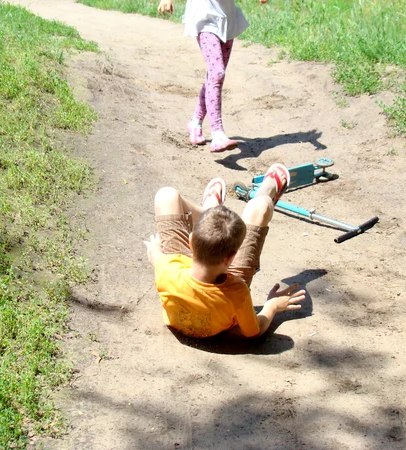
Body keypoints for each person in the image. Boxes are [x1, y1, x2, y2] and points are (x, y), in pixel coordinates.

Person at [144, 163, 306, 338]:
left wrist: (154, 247)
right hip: (224, 289)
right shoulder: (237, 292)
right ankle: (266, 192)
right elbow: (254, 331)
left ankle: (208, 213)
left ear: (191, 242)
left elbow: (155, 255)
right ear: (231, 259)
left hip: (181, 275)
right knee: (261, 207)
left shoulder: (167, 268)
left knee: (165, 196)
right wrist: (272, 306)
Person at [157, 0, 259, 152]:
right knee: (217, 73)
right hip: (204, 15)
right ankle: (217, 134)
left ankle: (195, 122)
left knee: (214, 75)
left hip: (226, 17)